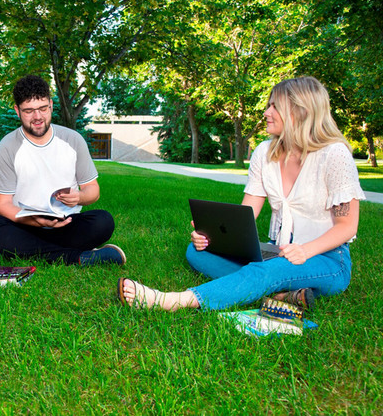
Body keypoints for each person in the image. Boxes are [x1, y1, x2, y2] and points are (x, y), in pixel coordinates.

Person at [118, 76, 365, 311]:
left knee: (271, 270)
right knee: (197, 251)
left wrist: (305, 250)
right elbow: (247, 214)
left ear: (300, 111)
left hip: (328, 259)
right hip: (277, 251)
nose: (266, 113)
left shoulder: (334, 155)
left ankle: (173, 300)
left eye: (274, 107)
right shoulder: (264, 152)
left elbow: (347, 226)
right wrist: (214, 237)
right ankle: (280, 296)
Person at [0, 74, 125, 265]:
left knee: (103, 221)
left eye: (43, 109)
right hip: (24, 225)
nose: (37, 117)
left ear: (51, 105)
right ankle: (78, 257)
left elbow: (93, 190)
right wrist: (37, 221)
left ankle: (8, 251)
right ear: (17, 111)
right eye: (29, 111)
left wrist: (79, 197)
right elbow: (1, 205)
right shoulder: (7, 146)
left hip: (66, 224)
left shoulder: (73, 139)